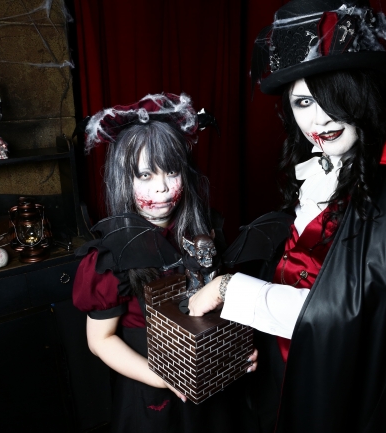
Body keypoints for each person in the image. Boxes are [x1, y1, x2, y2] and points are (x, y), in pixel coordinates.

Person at [189, 1, 386, 432]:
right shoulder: (322, 169)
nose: (318, 118)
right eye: (303, 101)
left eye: (334, 96)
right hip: (285, 369)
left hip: (335, 390)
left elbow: (346, 319)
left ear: (363, 93)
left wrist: (229, 289)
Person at [73, 93, 257, 433]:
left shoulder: (206, 231)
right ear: (123, 180)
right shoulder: (110, 257)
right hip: (152, 395)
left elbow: (221, 301)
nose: (161, 187)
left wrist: (238, 347)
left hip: (213, 383)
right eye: (145, 175)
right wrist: (161, 377)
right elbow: (100, 341)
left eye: (171, 172)